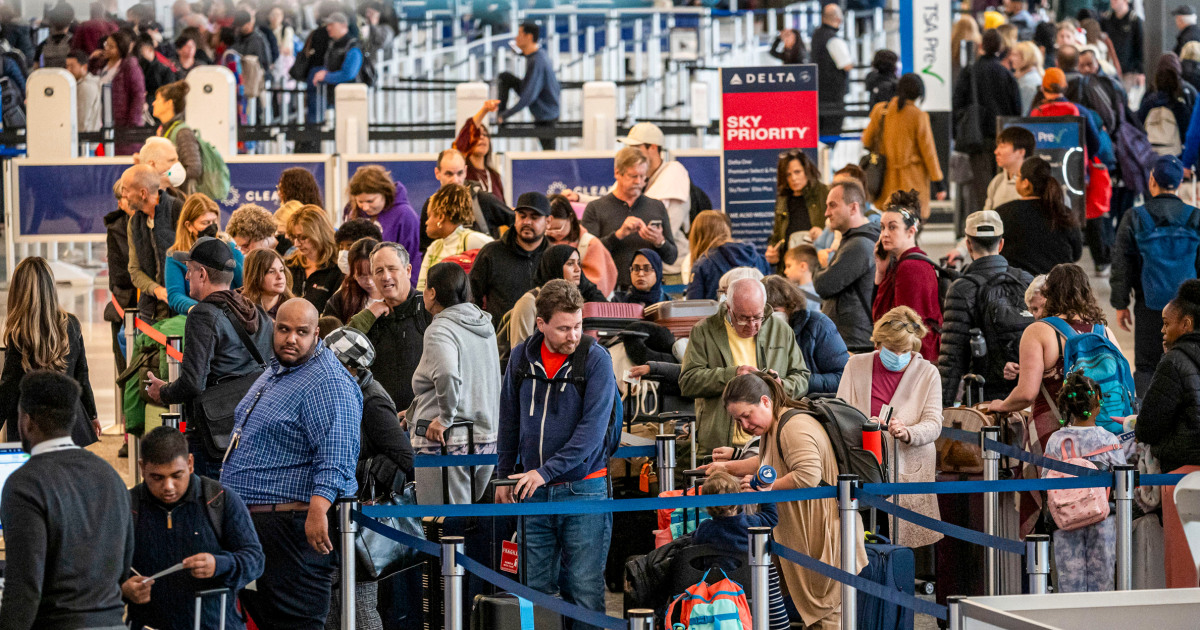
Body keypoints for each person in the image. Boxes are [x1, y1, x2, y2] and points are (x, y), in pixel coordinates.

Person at [221, 298, 361, 628]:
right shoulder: (280, 370)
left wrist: (318, 510)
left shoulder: (326, 381)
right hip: (258, 527)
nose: (291, 339)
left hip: (294, 531)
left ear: (317, 335)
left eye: (302, 332)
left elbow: (337, 454)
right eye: (284, 329)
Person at [496, 279, 618, 627]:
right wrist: (504, 474)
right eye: (564, 328)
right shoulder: (521, 357)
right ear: (541, 324)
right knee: (534, 590)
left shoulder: (596, 360)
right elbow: (509, 420)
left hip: (584, 490)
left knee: (583, 590)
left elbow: (591, 434)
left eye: (578, 325)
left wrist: (545, 472)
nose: (573, 335)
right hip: (531, 490)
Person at [719, 372, 866, 629]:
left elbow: (807, 475)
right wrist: (730, 468)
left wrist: (764, 489)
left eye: (746, 415)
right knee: (820, 618)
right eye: (737, 419)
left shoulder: (794, 426)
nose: (744, 425)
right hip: (812, 539)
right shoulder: (775, 425)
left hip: (824, 540)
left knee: (829, 618)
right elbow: (773, 460)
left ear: (765, 401)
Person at [987, 263, 1116, 536]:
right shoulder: (1103, 331)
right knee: (1096, 499)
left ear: (1050, 292)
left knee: (1055, 501)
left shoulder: (1040, 331)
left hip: (1053, 429)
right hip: (1098, 431)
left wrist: (1000, 405)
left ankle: (1047, 566)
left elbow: (1026, 393)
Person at [0, 371, 132, 628]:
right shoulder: (111, 476)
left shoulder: (24, 484)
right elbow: (123, 565)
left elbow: (25, 585)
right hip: (112, 622)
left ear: (26, 421)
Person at [147, 235, 273, 477]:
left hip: (216, 436)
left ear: (202, 274)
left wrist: (162, 391)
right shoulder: (253, 310)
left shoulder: (203, 314)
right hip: (256, 428)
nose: (186, 277)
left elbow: (193, 382)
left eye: (190, 270)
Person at [122, 426, 265, 630]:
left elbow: (255, 560)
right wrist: (124, 588)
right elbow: (100, 572)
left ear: (190, 463)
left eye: (176, 475)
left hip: (216, 624)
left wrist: (219, 564)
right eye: (157, 477)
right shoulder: (127, 506)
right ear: (142, 467)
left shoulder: (219, 499)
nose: (168, 487)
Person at [323, 326, 413, 628]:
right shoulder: (349, 393)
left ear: (350, 367)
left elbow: (405, 459)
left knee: (359, 605)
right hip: (342, 514)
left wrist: (359, 468)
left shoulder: (371, 401)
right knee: (336, 603)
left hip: (361, 517)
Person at [837, 307, 944, 546]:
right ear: (878, 343)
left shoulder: (928, 373)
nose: (898, 356)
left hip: (907, 465)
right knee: (858, 543)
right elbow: (841, 412)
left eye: (904, 351)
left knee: (903, 542)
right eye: (892, 349)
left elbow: (934, 423)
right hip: (863, 465)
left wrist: (908, 432)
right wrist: (864, 425)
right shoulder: (855, 365)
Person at [680, 277, 810, 456]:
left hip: (771, 441)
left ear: (764, 307)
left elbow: (802, 376)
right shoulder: (704, 331)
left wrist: (781, 387)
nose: (751, 325)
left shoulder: (780, 330)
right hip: (720, 444)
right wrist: (731, 375)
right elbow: (688, 382)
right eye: (743, 318)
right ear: (729, 309)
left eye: (757, 317)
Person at [409, 262, 500, 504]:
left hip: (448, 440)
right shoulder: (485, 324)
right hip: (485, 436)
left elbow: (448, 375)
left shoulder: (440, 328)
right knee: (465, 522)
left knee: (441, 524)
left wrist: (445, 418)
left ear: (432, 292)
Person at [1112, 155, 1200, 395]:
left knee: (1147, 366)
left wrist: (1120, 304)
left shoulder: (1135, 217)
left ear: (1151, 181)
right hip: (1189, 307)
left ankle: (1144, 420)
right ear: (1179, 183)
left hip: (1149, 305)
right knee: (1192, 361)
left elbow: (1122, 263)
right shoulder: (1195, 217)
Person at [0, 257, 99, 447]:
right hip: (69, 418)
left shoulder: (19, 335)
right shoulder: (71, 324)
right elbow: (82, 376)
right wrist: (92, 415)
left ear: (18, 292)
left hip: (32, 425)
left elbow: (8, 389)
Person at [1041, 370, 1125, 592]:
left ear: (1067, 406)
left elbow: (1044, 480)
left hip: (1065, 520)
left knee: (1069, 580)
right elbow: (1122, 480)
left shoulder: (1056, 439)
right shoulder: (1107, 439)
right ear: (1097, 404)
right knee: (1102, 578)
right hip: (1102, 520)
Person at [939, 211, 1034, 406]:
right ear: (1001, 244)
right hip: (1027, 393)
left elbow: (952, 358)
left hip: (983, 397)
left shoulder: (961, 289)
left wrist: (943, 408)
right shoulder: (1026, 281)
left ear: (968, 244)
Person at [691, 471, 789, 630]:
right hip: (759, 590)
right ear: (738, 501)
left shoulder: (705, 530)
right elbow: (771, 517)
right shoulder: (753, 523)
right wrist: (765, 494)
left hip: (721, 595)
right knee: (769, 573)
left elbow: (695, 545)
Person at [347, 242, 432, 413]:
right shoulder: (372, 318)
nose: (386, 276)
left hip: (424, 420)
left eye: (392, 269)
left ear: (408, 271)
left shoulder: (429, 309)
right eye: (379, 271)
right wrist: (367, 316)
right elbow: (340, 352)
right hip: (384, 420)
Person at [582, 147, 677, 289]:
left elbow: (671, 257)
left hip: (650, 294)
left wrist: (660, 241)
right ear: (617, 173)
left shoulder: (656, 207)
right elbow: (586, 255)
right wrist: (618, 235)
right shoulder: (596, 208)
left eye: (643, 177)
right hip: (611, 292)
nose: (639, 182)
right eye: (633, 176)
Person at [954, 28, 1023, 214]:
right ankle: (1005, 225)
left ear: (981, 45)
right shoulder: (1006, 74)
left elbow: (957, 104)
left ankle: (985, 228)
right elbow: (1017, 110)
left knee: (983, 191)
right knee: (1005, 186)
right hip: (1004, 139)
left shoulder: (969, 72)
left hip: (977, 138)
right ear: (1001, 47)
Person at [1137, 279, 1200, 473]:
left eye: (1166, 324)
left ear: (1186, 324)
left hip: (1180, 469)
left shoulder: (1174, 362)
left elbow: (1148, 427)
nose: (1162, 330)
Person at [861, 74, 946, 218]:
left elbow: (866, 140)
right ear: (919, 94)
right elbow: (929, 152)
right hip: (913, 182)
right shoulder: (918, 116)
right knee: (912, 223)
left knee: (891, 221)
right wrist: (938, 182)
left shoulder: (881, 110)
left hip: (887, 180)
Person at [872, 191, 942, 362]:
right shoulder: (900, 265)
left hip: (913, 361)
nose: (884, 234)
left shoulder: (911, 268)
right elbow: (878, 315)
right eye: (882, 227)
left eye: (892, 227)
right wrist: (880, 272)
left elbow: (907, 328)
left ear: (911, 231)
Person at [619, 122, 692, 278]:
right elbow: (610, 200)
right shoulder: (642, 176)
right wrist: (579, 197)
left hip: (670, 272)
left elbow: (668, 229)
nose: (630, 152)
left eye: (635, 147)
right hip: (642, 270)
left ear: (652, 147)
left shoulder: (674, 174)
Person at [814, 181, 881, 350]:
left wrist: (821, 266)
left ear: (853, 208)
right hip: (853, 340)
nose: (826, 213)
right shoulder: (855, 240)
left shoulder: (858, 245)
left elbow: (824, 285)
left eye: (833, 205)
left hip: (856, 343)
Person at [995, 157, 1084, 275]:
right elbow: (1076, 254)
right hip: (1057, 287)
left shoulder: (1003, 213)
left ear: (1025, 183)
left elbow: (991, 252)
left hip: (1016, 287)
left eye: (1018, 176)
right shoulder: (1064, 213)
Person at [508, 244, 607, 351]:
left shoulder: (583, 296)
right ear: (554, 266)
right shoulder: (529, 302)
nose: (577, 269)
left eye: (578, 263)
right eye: (570, 264)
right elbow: (519, 353)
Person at [471, 191, 551, 322]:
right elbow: (472, 296)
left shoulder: (554, 257)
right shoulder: (491, 253)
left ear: (548, 221)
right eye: (522, 216)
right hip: (499, 339)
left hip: (544, 339)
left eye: (534, 217)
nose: (527, 222)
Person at [164, 193, 245, 316]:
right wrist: (199, 308)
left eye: (214, 222)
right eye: (205, 223)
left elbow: (244, 283)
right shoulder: (175, 256)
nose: (211, 227)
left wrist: (227, 251)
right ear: (189, 226)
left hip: (230, 313)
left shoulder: (230, 247)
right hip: (193, 315)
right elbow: (175, 295)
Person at [122, 163, 185, 322]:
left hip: (181, 311)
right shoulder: (134, 223)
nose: (124, 195)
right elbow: (134, 270)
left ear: (143, 193)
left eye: (126, 190)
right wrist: (156, 290)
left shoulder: (179, 210)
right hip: (149, 313)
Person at [763, 276, 846, 395]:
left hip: (813, 401)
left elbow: (843, 377)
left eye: (774, 310)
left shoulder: (818, 325)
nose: (769, 316)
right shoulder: (756, 329)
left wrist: (795, 382)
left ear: (791, 306)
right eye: (764, 312)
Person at [417, 149, 513, 252]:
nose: (455, 180)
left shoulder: (482, 200)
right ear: (437, 173)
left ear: (465, 172)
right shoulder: (431, 206)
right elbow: (425, 249)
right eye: (449, 174)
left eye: (459, 173)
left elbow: (516, 221)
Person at [345, 165, 422, 280]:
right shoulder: (353, 212)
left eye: (370, 201)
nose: (365, 207)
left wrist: (409, 293)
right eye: (360, 201)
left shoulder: (405, 215)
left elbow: (413, 258)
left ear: (385, 193)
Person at [496, 21, 560, 151]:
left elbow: (529, 96)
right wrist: (518, 50)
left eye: (520, 34)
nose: (516, 38)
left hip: (546, 115)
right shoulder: (536, 56)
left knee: (550, 153)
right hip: (543, 111)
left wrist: (506, 115)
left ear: (529, 37)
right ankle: (500, 113)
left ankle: (500, 115)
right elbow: (526, 54)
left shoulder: (538, 61)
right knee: (505, 77)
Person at [418, 183, 494, 291]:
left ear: (440, 217)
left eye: (429, 216)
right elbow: (421, 290)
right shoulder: (434, 248)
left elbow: (500, 255)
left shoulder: (471, 240)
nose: (426, 222)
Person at [687, 210, 771, 300]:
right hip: (757, 313)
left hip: (717, 313)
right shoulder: (758, 258)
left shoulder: (703, 264)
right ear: (727, 230)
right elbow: (769, 296)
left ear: (697, 235)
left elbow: (693, 306)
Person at [766, 150, 828, 270]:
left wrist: (823, 234)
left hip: (816, 267)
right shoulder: (783, 200)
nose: (793, 178)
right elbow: (777, 236)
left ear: (807, 171)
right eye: (788, 174)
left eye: (797, 172)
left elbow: (840, 230)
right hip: (789, 269)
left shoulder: (824, 193)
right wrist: (773, 251)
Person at [547, 193, 617, 296]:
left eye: (558, 228)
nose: (553, 233)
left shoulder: (589, 244)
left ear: (570, 218)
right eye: (547, 229)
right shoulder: (540, 242)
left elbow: (599, 286)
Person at [286, 204, 344, 313]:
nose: (296, 244)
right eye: (293, 237)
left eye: (303, 238)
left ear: (320, 234)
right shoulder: (289, 265)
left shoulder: (338, 269)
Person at [105, 180, 137, 376]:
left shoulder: (157, 222)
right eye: (123, 198)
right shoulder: (116, 228)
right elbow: (119, 277)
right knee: (126, 372)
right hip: (126, 306)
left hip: (152, 306)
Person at [307, 12, 363, 124]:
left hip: (348, 99)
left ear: (343, 25)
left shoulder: (353, 46)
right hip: (334, 97)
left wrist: (326, 76)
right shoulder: (333, 44)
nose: (328, 28)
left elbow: (348, 74)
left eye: (332, 24)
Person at [96, 30, 146, 155]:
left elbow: (138, 95)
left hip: (124, 123)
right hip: (105, 119)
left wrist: (132, 123)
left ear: (121, 48)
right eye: (106, 45)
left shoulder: (130, 66)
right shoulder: (102, 66)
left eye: (111, 47)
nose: (106, 48)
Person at [1137, 53, 1196, 154]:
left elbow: (1138, 125)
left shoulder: (1149, 98)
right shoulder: (1184, 99)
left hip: (1151, 155)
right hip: (1176, 156)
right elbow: (1190, 131)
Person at [813, 4, 854, 140]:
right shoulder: (834, 39)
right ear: (838, 19)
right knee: (831, 133)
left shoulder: (817, 35)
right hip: (833, 96)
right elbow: (846, 65)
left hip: (818, 93)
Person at [324, 236, 382, 323]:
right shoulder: (341, 299)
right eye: (361, 276)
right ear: (352, 273)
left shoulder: (397, 296)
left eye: (373, 274)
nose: (369, 282)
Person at [455, 99, 505, 198]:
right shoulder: (463, 173)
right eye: (477, 135)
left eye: (485, 134)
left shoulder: (494, 175)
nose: (482, 137)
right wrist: (485, 110)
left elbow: (503, 207)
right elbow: (466, 133)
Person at [987, 126, 1037, 213]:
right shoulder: (997, 181)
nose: (996, 151)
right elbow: (986, 217)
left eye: (1002, 146)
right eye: (997, 146)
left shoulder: (1036, 183)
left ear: (1021, 152)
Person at [1101, 0, 1144, 93]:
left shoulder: (1134, 20)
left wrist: (1141, 72)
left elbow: (1140, 47)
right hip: (1110, 71)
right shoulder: (1107, 19)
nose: (1113, 1)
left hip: (1128, 72)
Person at [242, 247, 293, 320]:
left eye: (281, 270)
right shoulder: (239, 306)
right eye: (271, 272)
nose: (280, 276)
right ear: (255, 276)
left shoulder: (294, 308)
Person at [65, 49, 102, 132]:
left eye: (72, 66)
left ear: (84, 67)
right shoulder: (83, 83)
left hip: (85, 140)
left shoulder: (86, 87)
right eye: (67, 66)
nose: (68, 70)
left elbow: (82, 120)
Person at [783, 244, 822, 312]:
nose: (785, 271)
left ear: (803, 266)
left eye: (789, 266)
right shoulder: (816, 290)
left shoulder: (801, 295)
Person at [1011, 41, 1045, 114]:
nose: (1011, 58)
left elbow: (1024, 113)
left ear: (1026, 57)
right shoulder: (1029, 76)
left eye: (1015, 55)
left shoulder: (1028, 83)